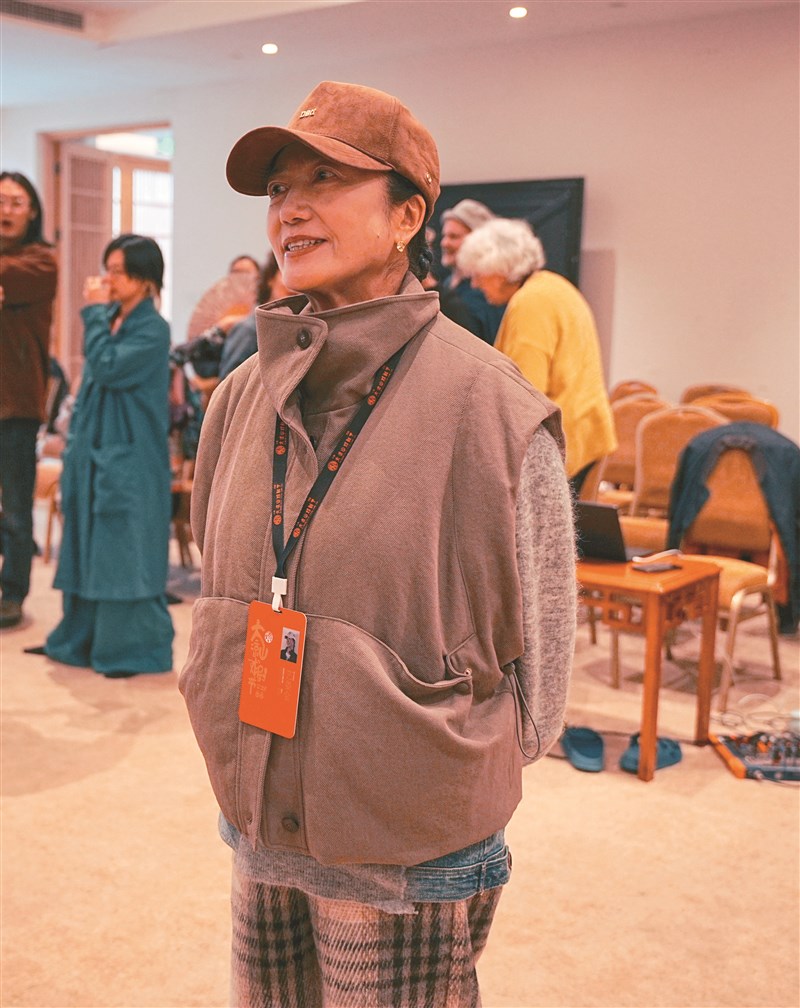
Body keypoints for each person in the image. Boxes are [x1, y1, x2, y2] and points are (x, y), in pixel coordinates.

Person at [179, 80, 575, 1007]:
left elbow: (546, 663)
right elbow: (218, 570)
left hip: (407, 840)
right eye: (280, 187)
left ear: (407, 216)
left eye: (325, 179)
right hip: (257, 796)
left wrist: (430, 745)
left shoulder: (494, 407)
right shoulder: (240, 395)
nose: (291, 208)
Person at [39, 234, 174, 678]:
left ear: (144, 277)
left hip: (130, 456)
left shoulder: (153, 329)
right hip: (94, 451)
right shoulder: (114, 320)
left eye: (117, 271)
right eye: (108, 269)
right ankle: (78, 641)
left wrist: (94, 314)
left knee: (124, 551)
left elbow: (109, 367)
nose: (108, 280)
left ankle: (131, 650)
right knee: (87, 544)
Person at [457, 217, 617, 497]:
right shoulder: (554, 286)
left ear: (500, 269)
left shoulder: (530, 303)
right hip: (585, 430)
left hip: (564, 441)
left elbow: (525, 394)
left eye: (478, 273)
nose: (475, 283)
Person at [0, 171, 58, 629]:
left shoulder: (41, 262)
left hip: (15, 403)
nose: (6, 210)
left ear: (32, 210)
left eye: (16, 202)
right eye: (1, 200)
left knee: (16, 509)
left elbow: (11, 276)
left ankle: (12, 594)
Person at [437, 198, 505, 344]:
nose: (444, 243)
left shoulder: (487, 290)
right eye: (444, 236)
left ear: (477, 241)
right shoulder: (448, 282)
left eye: (454, 237)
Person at [217, 252, 290, 379]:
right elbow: (231, 383)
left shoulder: (293, 326)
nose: (292, 284)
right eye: (285, 272)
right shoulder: (250, 329)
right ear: (270, 278)